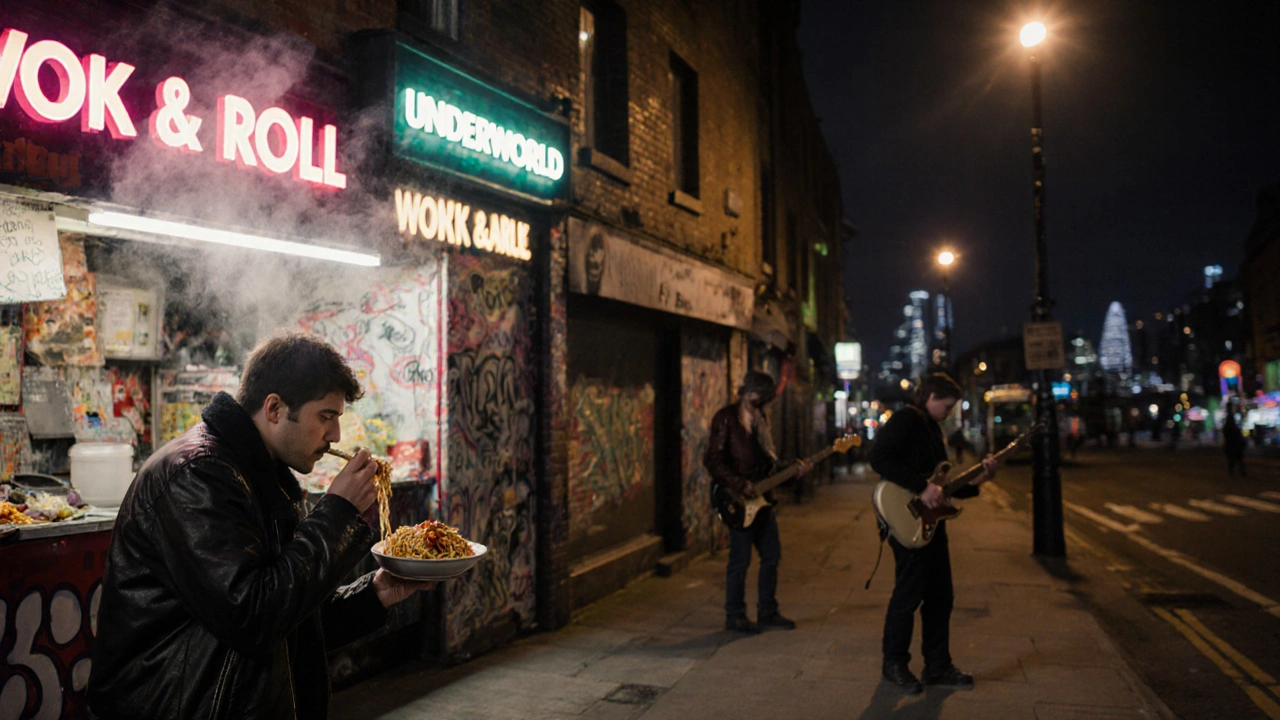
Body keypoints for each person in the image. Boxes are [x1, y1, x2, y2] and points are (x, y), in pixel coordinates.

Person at [88, 333, 433, 720]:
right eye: (326, 417)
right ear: (274, 408)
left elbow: (292, 620)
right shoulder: (198, 475)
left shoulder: (263, 477)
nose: (335, 435)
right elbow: (255, 616)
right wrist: (336, 511)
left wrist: (376, 593)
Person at [870, 373, 997, 694]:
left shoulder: (932, 428)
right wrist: (920, 487)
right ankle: (894, 664)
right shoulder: (906, 420)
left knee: (941, 595)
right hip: (905, 519)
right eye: (948, 405)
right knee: (909, 593)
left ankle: (937, 666)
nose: (950, 411)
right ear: (930, 397)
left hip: (931, 522)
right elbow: (879, 457)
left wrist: (980, 480)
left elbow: (942, 487)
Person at [704, 370, 809, 633]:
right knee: (740, 561)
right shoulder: (727, 418)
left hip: (764, 501)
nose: (767, 401)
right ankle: (735, 615)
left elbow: (769, 469)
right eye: (764, 396)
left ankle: (768, 611)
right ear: (752, 394)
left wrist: (792, 472)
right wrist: (741, 485)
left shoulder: (761, 421)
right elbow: (713, 460)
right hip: (738, 501)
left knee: (771, 556)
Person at [1223, 409, 1247, 477]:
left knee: (1231, 460)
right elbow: (1240, 436)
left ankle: (1232, 472)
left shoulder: (1226, 429)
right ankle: (1242, 472)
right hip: (1236, 446)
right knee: (1240, 460)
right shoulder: (1235, 429)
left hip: (1230, 446)